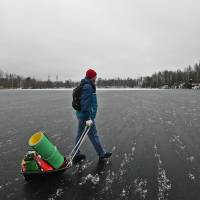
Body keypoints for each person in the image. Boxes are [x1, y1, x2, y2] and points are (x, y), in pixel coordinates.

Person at [74, 69, 112, 162]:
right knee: (94, 135)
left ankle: (76, 153)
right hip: (86, 116)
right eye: (95, 76)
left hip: (81, 115)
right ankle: (101, 153)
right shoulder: (88, 86)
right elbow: (85, 104)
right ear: (91, 76)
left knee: (80, 134)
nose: (96, 77)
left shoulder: (86, 84)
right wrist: (88, 118)